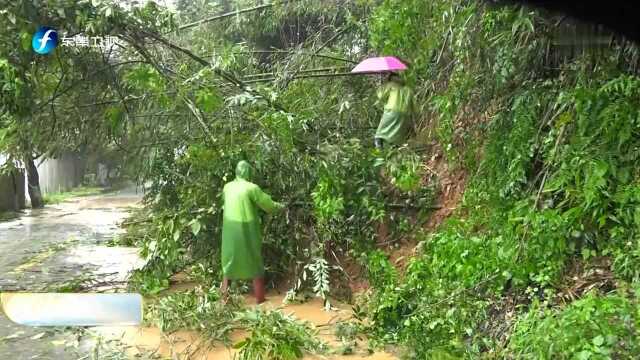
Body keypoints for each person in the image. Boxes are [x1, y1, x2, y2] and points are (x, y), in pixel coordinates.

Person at [220, 160, 285, 304]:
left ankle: (224, 300)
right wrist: (282, 207)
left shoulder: (227, 187)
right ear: (248, 172)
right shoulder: (251, 188)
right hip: (247, 231)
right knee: (255, 263)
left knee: (228, 265)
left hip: (229, 231)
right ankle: (260, 301)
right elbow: (268, 206)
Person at [374, 72, 413, 149]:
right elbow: (414, 107)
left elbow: (381, 96)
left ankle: (379, 153)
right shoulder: (408, 90)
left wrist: (383, 85)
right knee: (397, 138)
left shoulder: (391, 85)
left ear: (390, 78)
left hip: (391, 112)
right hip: (405, 115)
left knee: (379, 135)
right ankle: (394, 153)